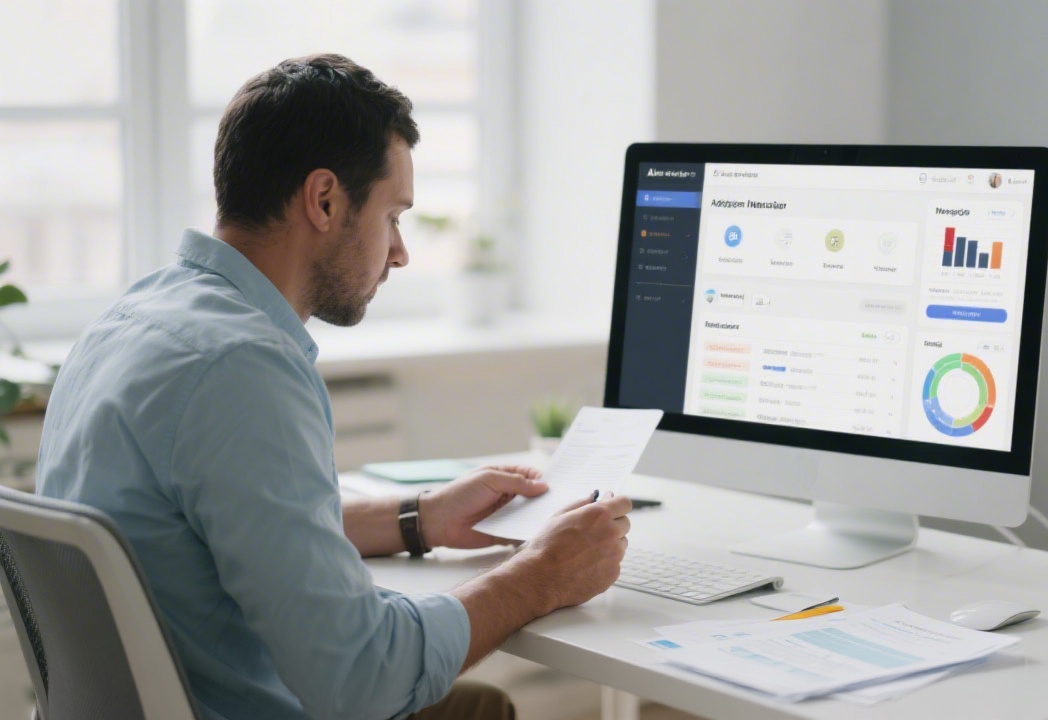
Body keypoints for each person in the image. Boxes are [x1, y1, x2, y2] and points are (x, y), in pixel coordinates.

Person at [35, 54, 632, 720]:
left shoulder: (131, 319)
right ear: (324, 200)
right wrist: (539, 576)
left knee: (475, 706)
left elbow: (224, 529)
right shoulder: (242, 368)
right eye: (393, 215)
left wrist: (418, 518)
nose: (400, 252)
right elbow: (362, 679)